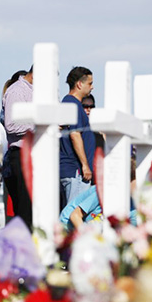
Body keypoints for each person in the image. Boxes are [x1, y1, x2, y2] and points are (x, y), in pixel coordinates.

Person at [59, 159, 137, 232]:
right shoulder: (101, 192)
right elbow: (75, 216)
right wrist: (88, 238)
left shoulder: (133, 207)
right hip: (68, 227)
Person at [60, 66, 96, 210]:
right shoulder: (72, 104)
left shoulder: (72, 104)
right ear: (79, 84)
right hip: (75, 170)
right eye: (90, 83)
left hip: (75, 170)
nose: (92, 87)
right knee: (73, 214)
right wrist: (85, 165)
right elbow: (75, 135)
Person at [2, 66, 34, 230]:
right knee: (25, 213)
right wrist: (38, 126)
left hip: (35, 157)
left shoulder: (35, 93)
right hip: (21, 155)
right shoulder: (17, 91)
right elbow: (11, 125)